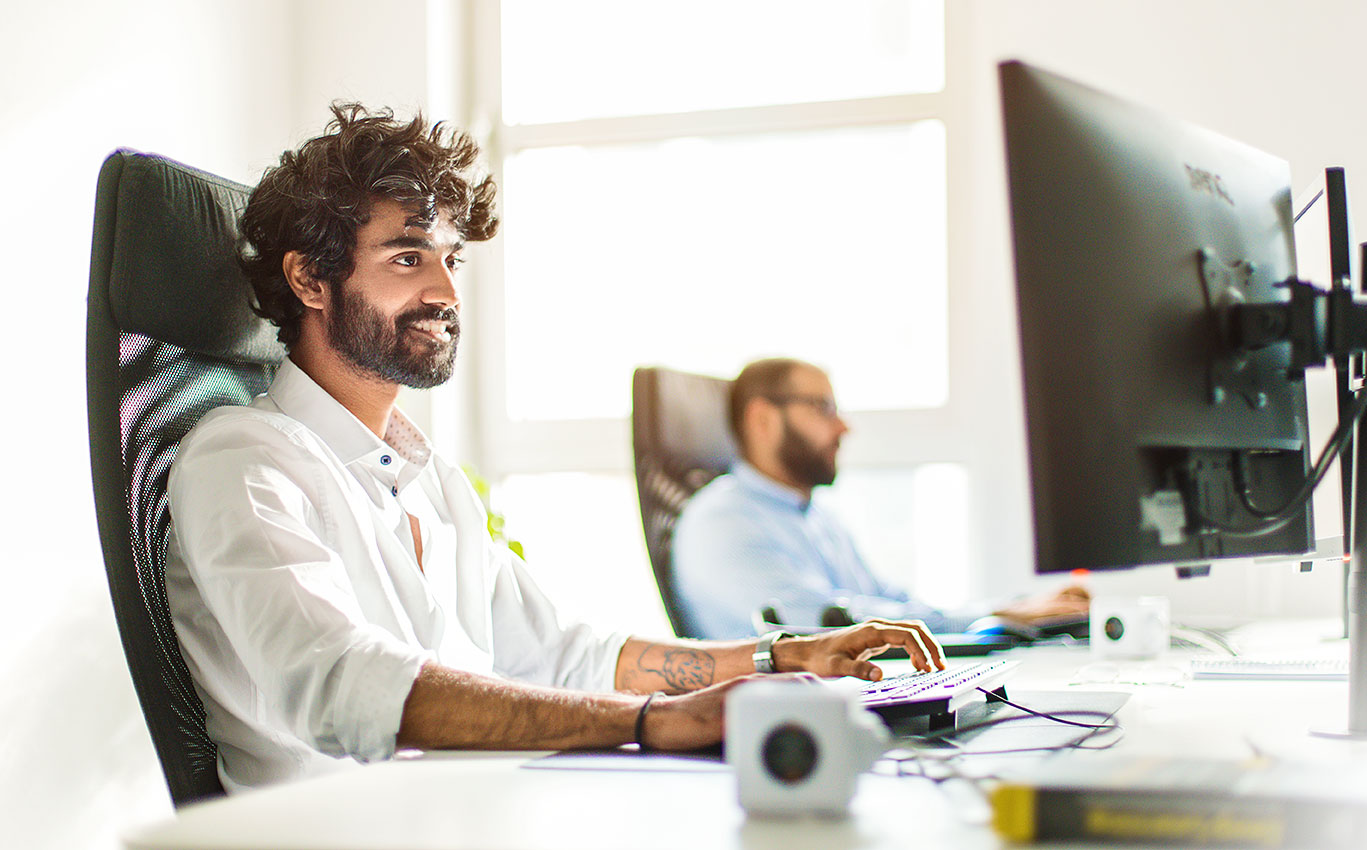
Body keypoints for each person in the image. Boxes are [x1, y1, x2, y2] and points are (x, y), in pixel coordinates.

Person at [164, 104, 944, 792]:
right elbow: (343, 687)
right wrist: (650, 722)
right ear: (308, 280)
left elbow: (568, 655)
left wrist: (777, 660)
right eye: (407, 257)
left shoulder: (426, 479)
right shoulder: (244, 459)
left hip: (469, 814)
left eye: (450, 259)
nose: (445, 291)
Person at [670, 358, 1090, 640]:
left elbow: (890, 602)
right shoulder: (721, 522)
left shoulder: (818, 518)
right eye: (823, 408)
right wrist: (1000, 619)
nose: (842, 428)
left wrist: (1006, 610)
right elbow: (828, 623)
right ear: (762, 419)